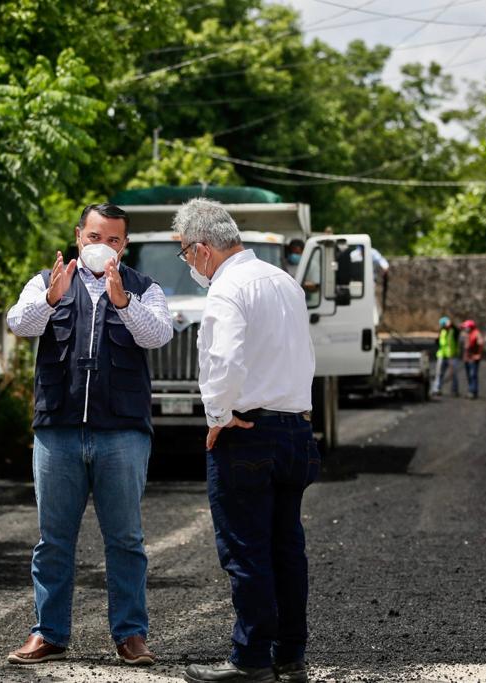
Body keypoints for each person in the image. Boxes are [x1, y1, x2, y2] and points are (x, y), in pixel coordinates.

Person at [5, 203, 173, 666]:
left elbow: (159, 335)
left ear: (125, 245)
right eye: (96, 237)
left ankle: (131, 635)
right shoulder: (47, 281)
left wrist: (123, 301)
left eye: (115, 240)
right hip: (57, 432)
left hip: (122, 433)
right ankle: (49, 633)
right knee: (53, 540)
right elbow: (18, 324)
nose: (104, 247)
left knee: (125, 539)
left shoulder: (144, 288)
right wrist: (52, 298)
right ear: (80, 236)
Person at [174, 198, 319, 683]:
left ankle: (251, 659)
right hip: (296, 428)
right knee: (286, 546)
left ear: (201, 250)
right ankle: (290, 655)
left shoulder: (227, 287)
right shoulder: (284, 283)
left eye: (184, 254)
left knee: (247, 550)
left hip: (248, 432)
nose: (188, 263)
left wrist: (217, 414)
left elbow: (225, 359)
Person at [432, 316, 460, 398]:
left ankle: (454, 391)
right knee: (439, 373)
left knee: (453, 374)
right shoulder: (442, 331)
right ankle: (437, 389)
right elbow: (438, 342)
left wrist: (451, 325)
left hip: (452, 355)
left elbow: (457, 331)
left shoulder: (453, 331)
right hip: (442, 355)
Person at [460, 319, 484, 399]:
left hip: (473, 358)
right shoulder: (467, 334)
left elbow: (480, 344)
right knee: (469, 375)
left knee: (473, 374)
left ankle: (473, 391)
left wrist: (478, 355)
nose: (465, 329)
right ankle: (471, 390)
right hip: (467, 358)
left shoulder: (476, 333)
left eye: (466, 327)